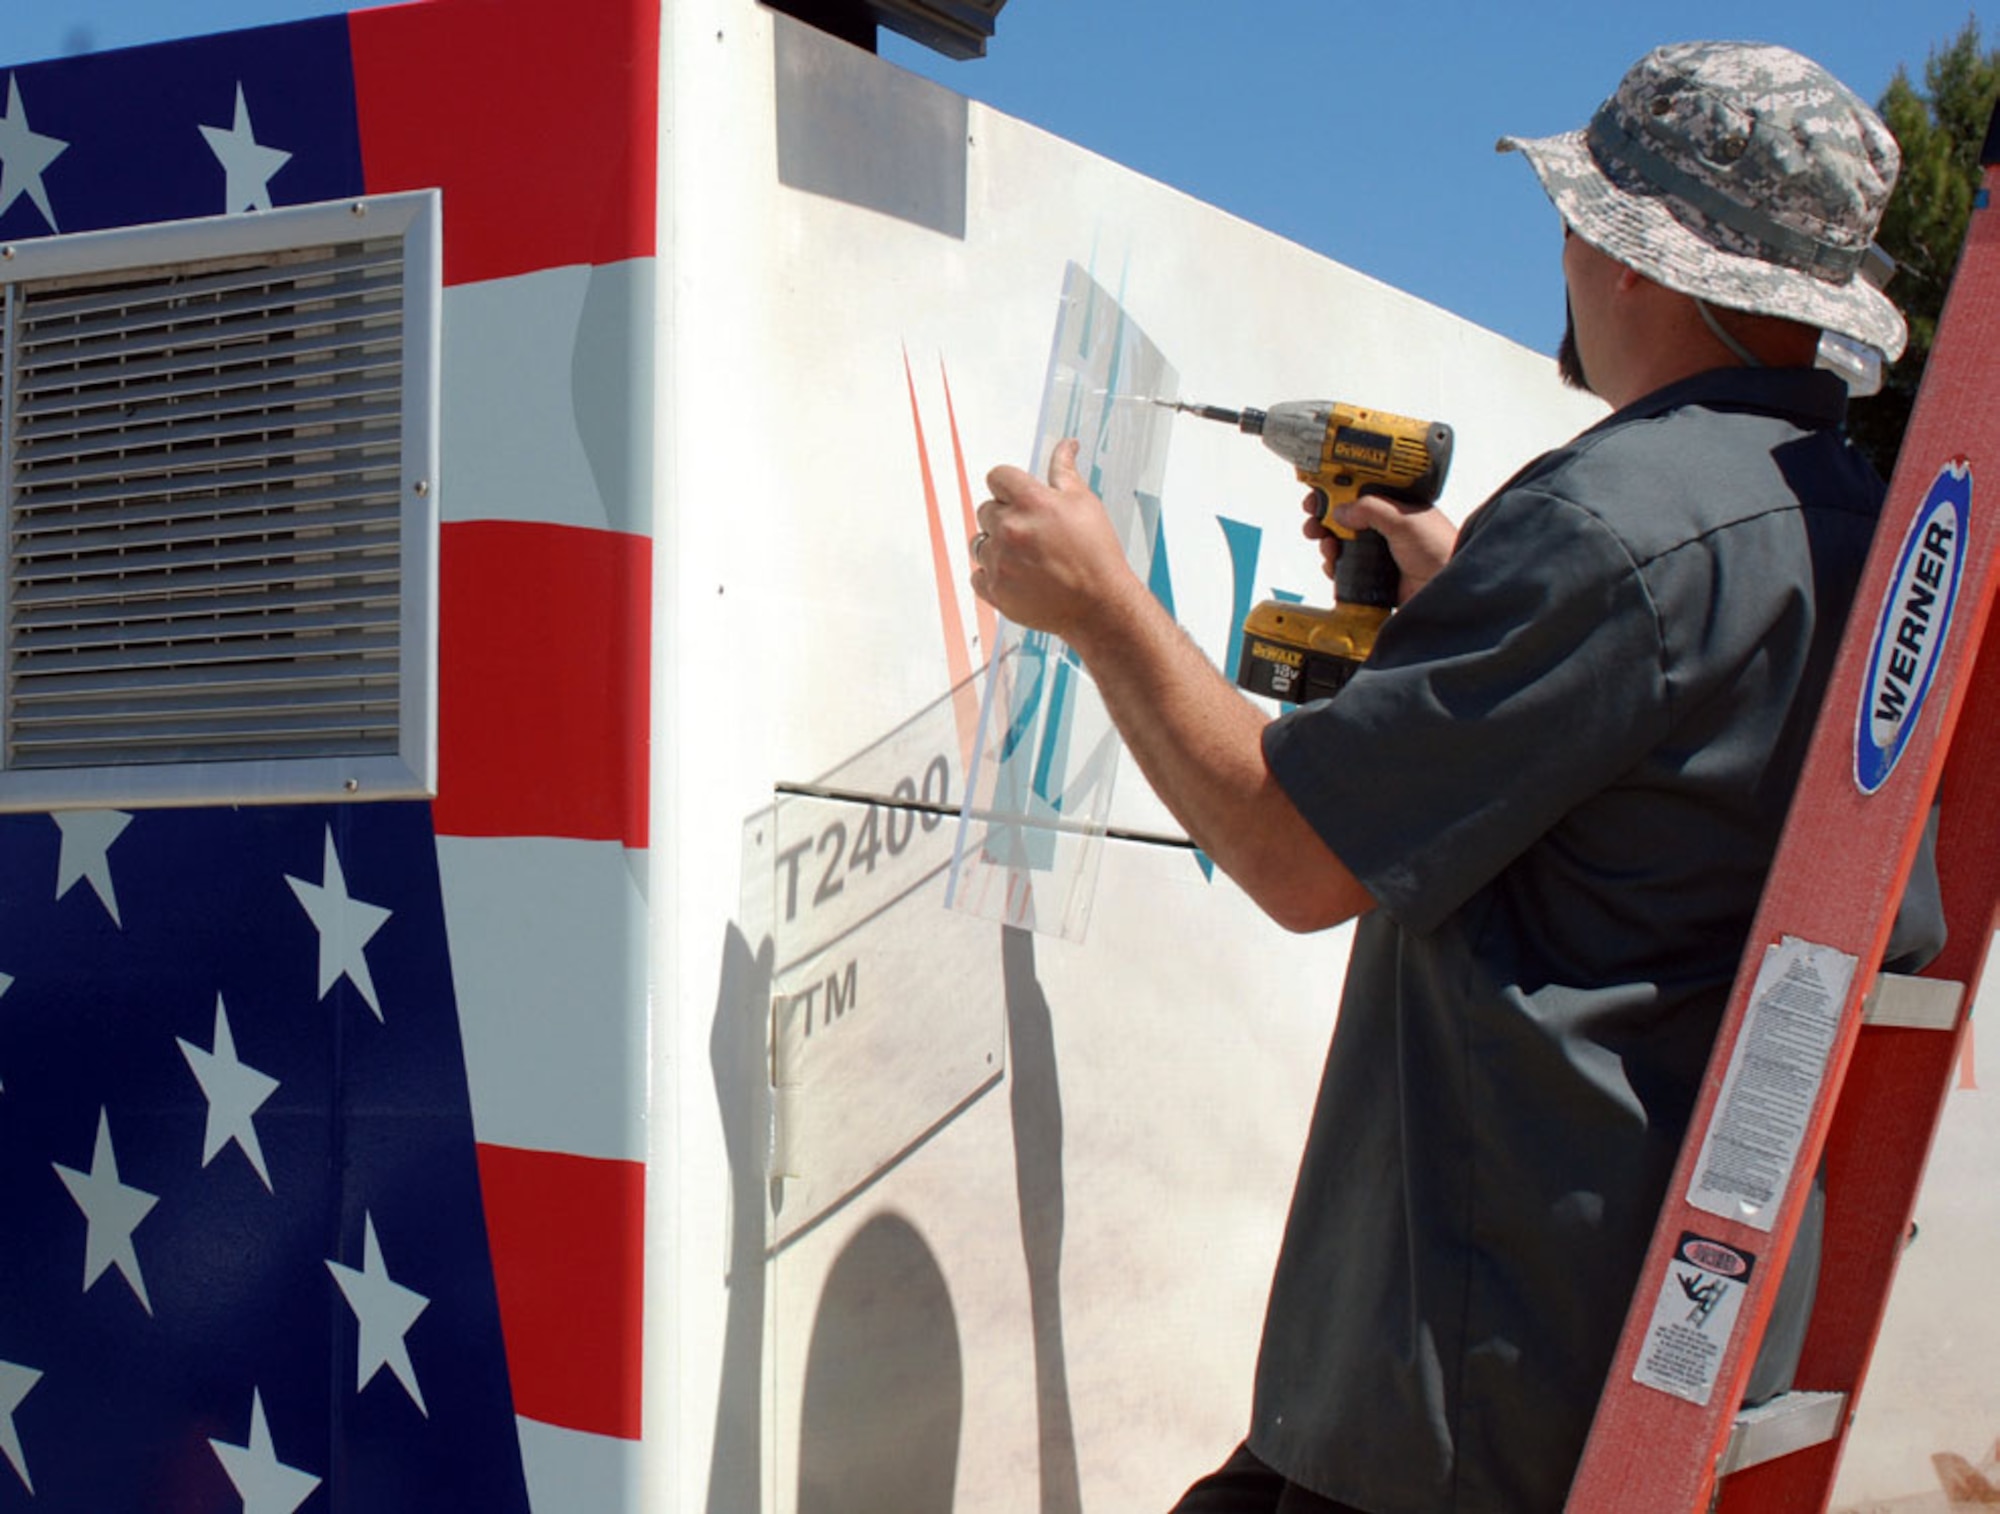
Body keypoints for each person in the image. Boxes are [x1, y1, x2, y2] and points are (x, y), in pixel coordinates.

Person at [967, 41, 1945, 1514]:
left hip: (1465, 1409)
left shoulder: (1616, 520)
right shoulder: (1849, 531)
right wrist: (1469, 605)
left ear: (1639, 265)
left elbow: (1294, 853)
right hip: (1629, 1364)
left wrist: (1098, 599)